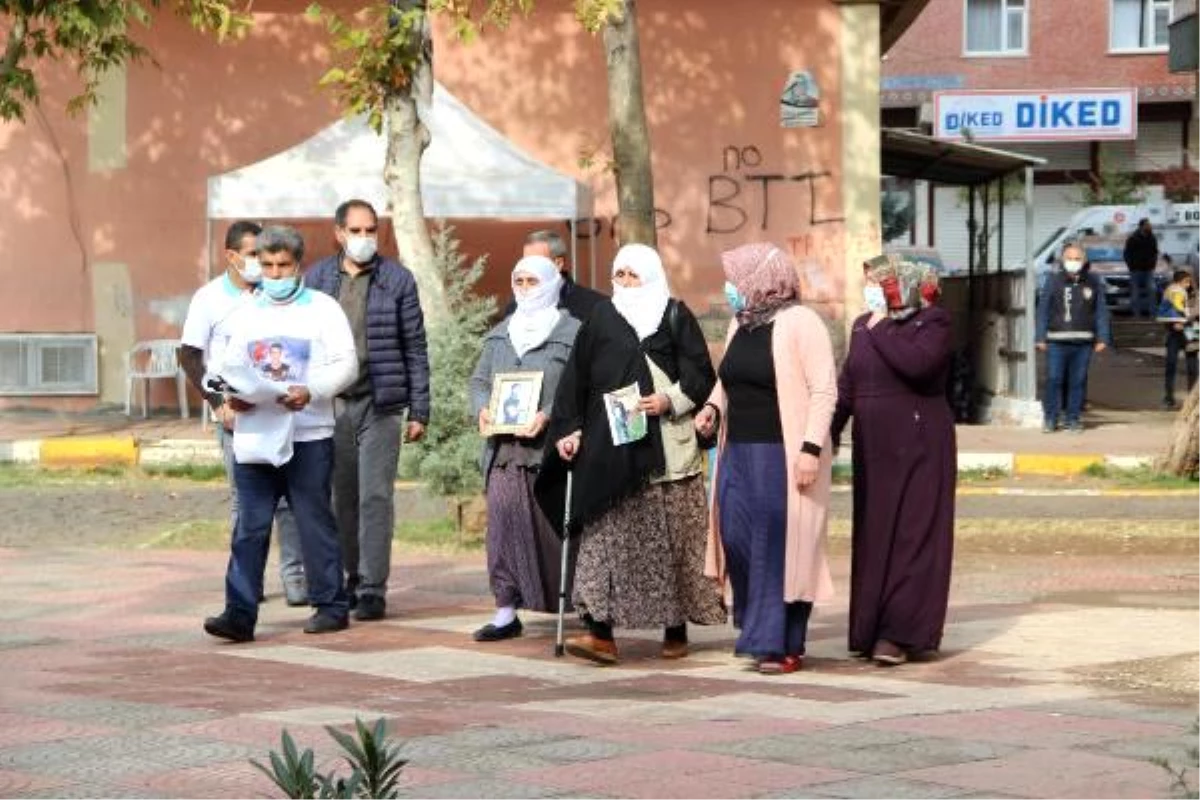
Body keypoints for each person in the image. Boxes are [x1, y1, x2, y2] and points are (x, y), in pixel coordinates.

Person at [536, 244, 725, 665]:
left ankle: (675, 629)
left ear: (652, 276)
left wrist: (669, 400)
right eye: (618, 275)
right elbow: (576, 379)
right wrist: (569, 429)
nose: (623, 283)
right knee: (604, 541)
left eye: (632, 275)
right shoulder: (602, 317)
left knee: (673, 544)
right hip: (612, 449)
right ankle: (600, 633)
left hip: (669, 450)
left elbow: (700, 374)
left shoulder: (674, 315)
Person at [203, 226, 356, 642]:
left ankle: (330, 605)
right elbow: (219, 370)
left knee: (313, 520)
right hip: (254, 434)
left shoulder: (323, 309)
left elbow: (347, 364)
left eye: (282, 265)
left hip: (308, 434)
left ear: (298, 265)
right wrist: (233, 398)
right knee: (249, 526)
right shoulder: (245, 311)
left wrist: (313, 391)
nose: (274, 273)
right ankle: (239, 613)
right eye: (267, 265)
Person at [695, 244, 838, 675]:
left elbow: (823, 390)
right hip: (737, 451)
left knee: (779, 544)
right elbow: (728, 379)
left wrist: (810, 449)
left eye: (737, 279)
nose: (731, 288)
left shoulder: (801, 322)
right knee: (737, 539)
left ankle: (782, 643)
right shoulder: (743, 325)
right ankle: (759, 630)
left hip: (784, 452)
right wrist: (712, 408)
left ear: (761, 279)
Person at [307, 199, 431, 622]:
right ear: (339, 233)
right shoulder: (318, 279)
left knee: (376, 496)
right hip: (333, 404)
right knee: (342, 497)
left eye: (371, 230)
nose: (364, 239)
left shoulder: (397, 279)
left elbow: (415, 346)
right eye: (356, 231)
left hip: (381, 404)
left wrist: (420, 409)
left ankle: (374, 588)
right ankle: (348, 577)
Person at [830, 254, 957, 666]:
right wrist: (827, 431)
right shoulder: (863, 326)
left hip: (920, 444)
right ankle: (870, 629)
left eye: (882, 282)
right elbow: (850, 383)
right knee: (875, 537)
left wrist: (881, 326)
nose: (873, 290)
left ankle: (900, 634)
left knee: (911, 536)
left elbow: (917, 365)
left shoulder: (932, 322)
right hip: (875, 449)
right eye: (868, 282)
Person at [179, 220, 307, 607]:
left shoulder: (275, 296)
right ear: (232, 257)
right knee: (247, 503)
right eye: (253, 256)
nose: (261, 264)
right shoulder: (209, 299)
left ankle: (295, 577)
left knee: (288, 499)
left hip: (281, 414)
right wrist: (220, 403)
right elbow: (190, 356)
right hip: (237, 417)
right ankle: (246, 581)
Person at [469, 255, 581, 642]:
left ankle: (575, 603)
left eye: (533, 280)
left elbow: (580, 387)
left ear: (552, 282)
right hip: (505, 451)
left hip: (550, 451)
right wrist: (482, 409)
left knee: (553, 527)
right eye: (519, 280)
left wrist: (549, 414)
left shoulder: (572, 333)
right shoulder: (501, 333)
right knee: (502, 527)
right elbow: (480, 381)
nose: (525, 288)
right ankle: (505, 610)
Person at [1036, 243, 1112, 434]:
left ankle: (1073, 419)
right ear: (1063, 260)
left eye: (1077, 258)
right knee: (1054, 379)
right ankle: (1051, 418)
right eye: (1069, 258)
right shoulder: (1053, 280)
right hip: (1056, 341)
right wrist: (1040, 336)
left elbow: (1100, 310)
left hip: (1083, 342)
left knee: (1077, 381)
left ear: (1084, 261)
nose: (1073, 262)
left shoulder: (1093, 281)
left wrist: (1103, 336)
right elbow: (1043, 310)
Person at [502, 230, 605, 322]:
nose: (529, 266)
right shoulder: (515, 307)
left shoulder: (596, 307)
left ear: (558, 263)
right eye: (526, 261)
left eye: (537, 261)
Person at [1158, 268, 1199, 409]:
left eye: (1190, 279)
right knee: (1171, 364)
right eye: (1186, 280)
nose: (1188, 282)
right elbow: (1165, 311)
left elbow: (1197, 310)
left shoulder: (1195, 294)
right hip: (1173, 331)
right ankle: (1169, 397)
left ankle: (1193, 399)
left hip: (1191, 330)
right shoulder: (1171, 292)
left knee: (1192, 366)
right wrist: (1172, 322)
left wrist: (1185, 320)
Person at [1123, 218, 1159, 320]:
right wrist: (1131, 266)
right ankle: (1136, 315)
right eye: (1147, 225)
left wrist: (1153, 264)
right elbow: (1126, 254)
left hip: (1148, 270)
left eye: (1150, 224)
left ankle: (1153, 314)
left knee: (1152, 290)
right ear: (1141, 226)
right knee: (1135, 292)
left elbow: (1155, 252)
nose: (1150, 226)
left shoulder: (1152, 238)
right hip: (1135, 270)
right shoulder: (1133, 238)